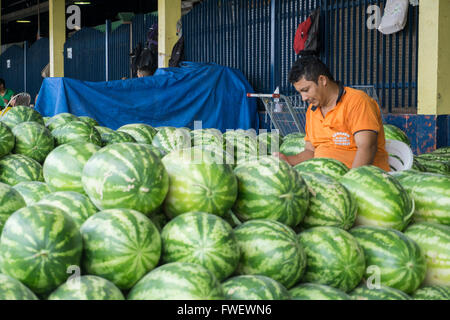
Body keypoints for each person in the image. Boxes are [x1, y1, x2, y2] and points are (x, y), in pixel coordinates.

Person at [274, 56, 390, 171]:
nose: (303, 98)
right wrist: (288, 160)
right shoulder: (312, 110)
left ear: (322, 80)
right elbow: (310, 152)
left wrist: (350, 181)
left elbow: (367, 147)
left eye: (306, 90)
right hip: (325, 180)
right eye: (300, 92)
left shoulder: (357, 101)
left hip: (359, 180)